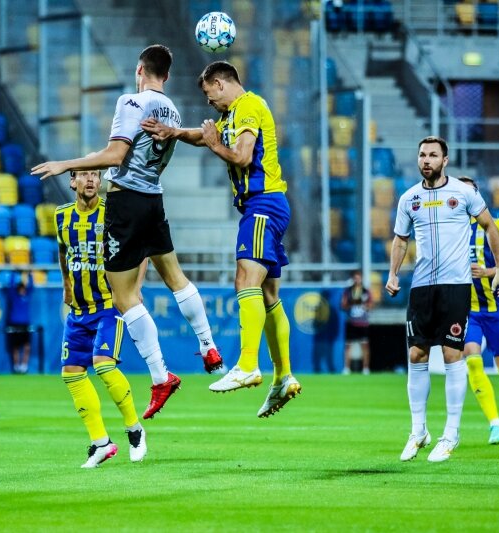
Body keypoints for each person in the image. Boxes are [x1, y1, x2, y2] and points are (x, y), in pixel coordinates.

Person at [31, 44, 223, 420]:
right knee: (176, 278)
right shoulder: (171, 110)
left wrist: (65, 164)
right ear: (166, 75)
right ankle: (208, 346)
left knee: (123, 297)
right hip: (154, 199)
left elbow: (115, 155)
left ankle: (160, 376)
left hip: (126, 202)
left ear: (139, 70)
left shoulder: (131, 102)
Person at [140, 60, 301, 418]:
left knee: (244, 279)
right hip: (267, 205)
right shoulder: (233, 115)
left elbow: (241, 156)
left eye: (208, 93)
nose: (208, 101)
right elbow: (203, 136)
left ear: (219, 82)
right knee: (268, 294)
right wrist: (173, 132)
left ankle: (248, 365)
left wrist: (215, 144)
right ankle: (283, 376)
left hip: (262, 204)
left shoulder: (248, 106)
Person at [387, 136, 499, 463]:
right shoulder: (409, 198)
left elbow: (490, 227)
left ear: (445, 160)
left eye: (433, 155)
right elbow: (400, 239)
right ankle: (418, 431)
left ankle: (451, 434)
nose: (426, 160)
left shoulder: (463, 192)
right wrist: (393, 274)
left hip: (455, 286)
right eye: (422, 155)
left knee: (452, 354)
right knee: (416, 354)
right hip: (421, 287)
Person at [56, 169, 147, 468]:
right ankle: (101, 443)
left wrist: (135, 289)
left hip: (110, 304)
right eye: (84, 175)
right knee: (71, 373)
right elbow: (63, 251)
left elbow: (142, 249)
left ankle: (134, 430)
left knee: (104, 365)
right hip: (79, 311)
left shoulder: (113, 213)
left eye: (95, 174)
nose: (91, 179)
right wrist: (66, 284)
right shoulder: (62, 216)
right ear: (73, 182)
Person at [459, 176, 499, 445]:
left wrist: (486, 272)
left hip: (495, 309)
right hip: (469, 311)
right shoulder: (452, 229)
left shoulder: (494, 225)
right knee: (472, 359)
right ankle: (494, 423)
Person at [341, 270, 372, 375]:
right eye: (355, 278)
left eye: (358, 278)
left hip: (362, 323)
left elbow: (371, 304)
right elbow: (343, 305)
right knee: (348, 346)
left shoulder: (365, 291)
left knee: (365, 345)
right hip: (351, 322)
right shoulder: (348, 291)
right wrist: (351, 303)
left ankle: (365, 368)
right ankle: (346, 368)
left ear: (361, 279)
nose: (357, 280)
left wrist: (364, 305)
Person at [6, 270, 33, 374]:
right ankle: (16, 366)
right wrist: (14, 272)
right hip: (15, 324)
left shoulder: (27, 295)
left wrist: (29, 273)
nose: (23, 290)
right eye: (21, 288)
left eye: (24, 288)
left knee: (27, 346)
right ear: (18, 289)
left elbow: (32, 286)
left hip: (25, 324)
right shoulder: (14, 296)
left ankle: (24, 366)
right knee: (15, 347)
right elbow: (11, 285)